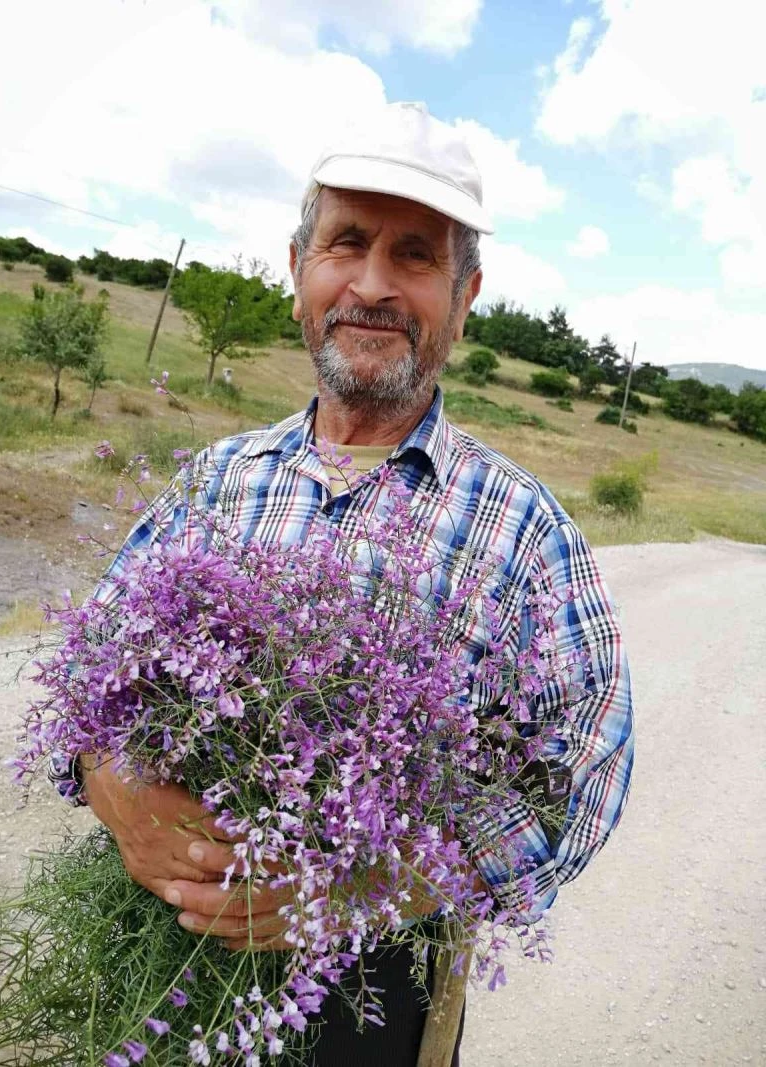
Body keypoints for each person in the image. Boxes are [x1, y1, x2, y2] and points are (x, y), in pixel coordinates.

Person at [52, 101, 634, 1065]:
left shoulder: (523, 529)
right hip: (154, 979)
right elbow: (84, 684)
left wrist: (372, 885)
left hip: (370, 1010)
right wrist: (111, 787)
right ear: (298, 272)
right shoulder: (214, 483)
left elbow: (585, 772)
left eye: (414, 256)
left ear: (464, 297)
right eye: (347, 243)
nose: (371, 284)